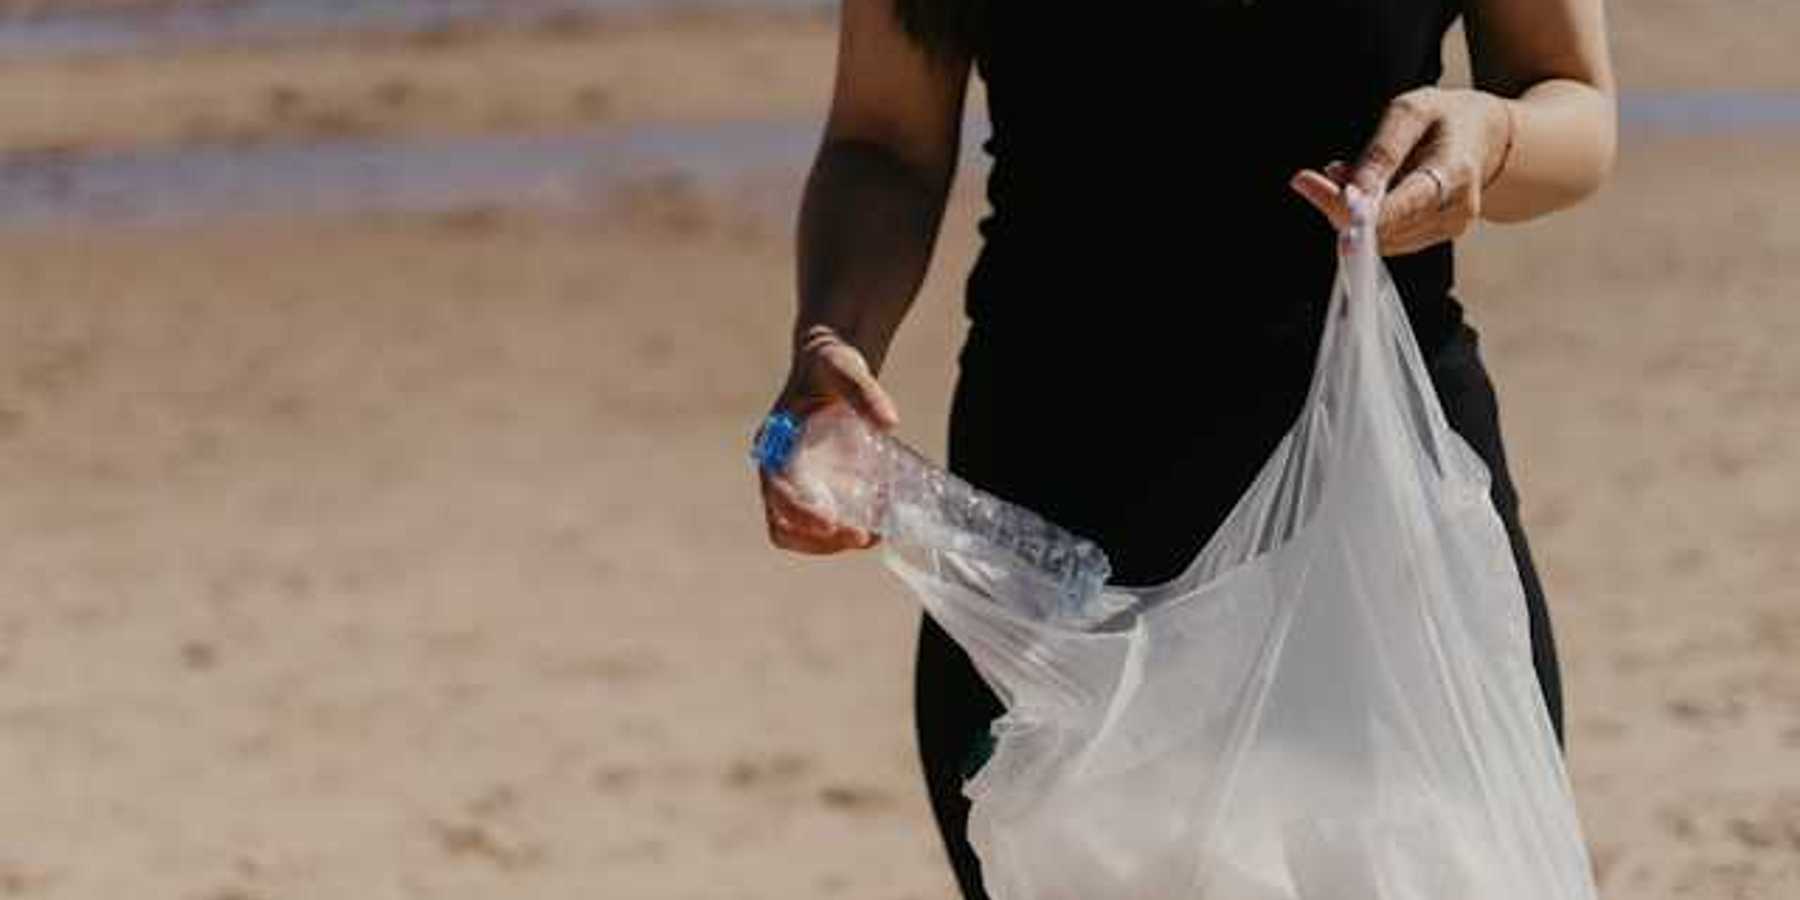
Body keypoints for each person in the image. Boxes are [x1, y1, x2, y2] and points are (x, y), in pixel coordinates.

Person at [755, 2, 1615, 897]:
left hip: (1382, 504)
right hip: (1050, 528)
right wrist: (833, 337)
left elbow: (1576, 107)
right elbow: (884, 139)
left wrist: (1494, 134)